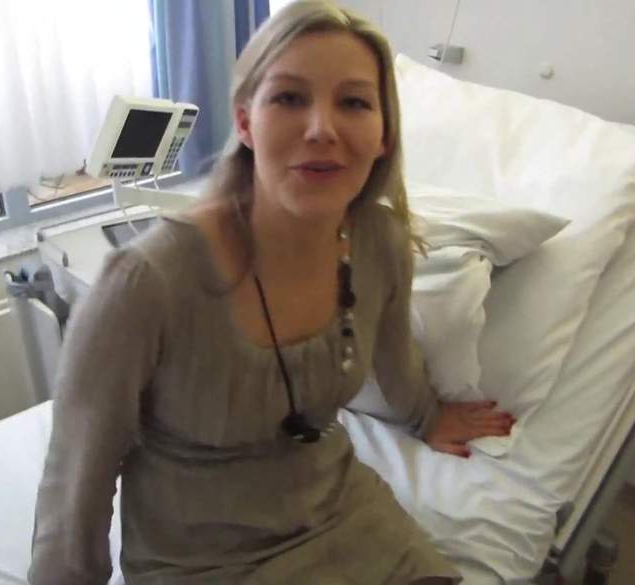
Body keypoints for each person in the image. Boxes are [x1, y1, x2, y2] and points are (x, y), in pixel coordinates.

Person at [28, 1, 514, 583]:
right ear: (244, 122)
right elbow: (75, 479)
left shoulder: (379, 243)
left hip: (339, 513)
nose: (322, 128)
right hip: (203, 556)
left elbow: (393, 356)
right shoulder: (147, 282)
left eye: (354, 103)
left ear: (384, 135)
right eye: (288, 98)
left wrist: (427, 415)